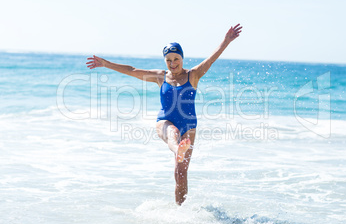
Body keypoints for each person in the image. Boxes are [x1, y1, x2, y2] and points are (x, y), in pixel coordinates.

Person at [86, 24, 242, 205]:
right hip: (165, 122)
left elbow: (211, 59)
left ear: (182, 58)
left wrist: (226, 41)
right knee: (173, 133)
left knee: (180, 175)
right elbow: (132, 70)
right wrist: (105, 64)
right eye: (168, 60)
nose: (173, 63)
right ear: (165, 61)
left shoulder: (193, 75)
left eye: (176, 59)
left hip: (189, 126)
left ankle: (180, 211)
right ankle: (178, 150)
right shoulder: (160, 77)